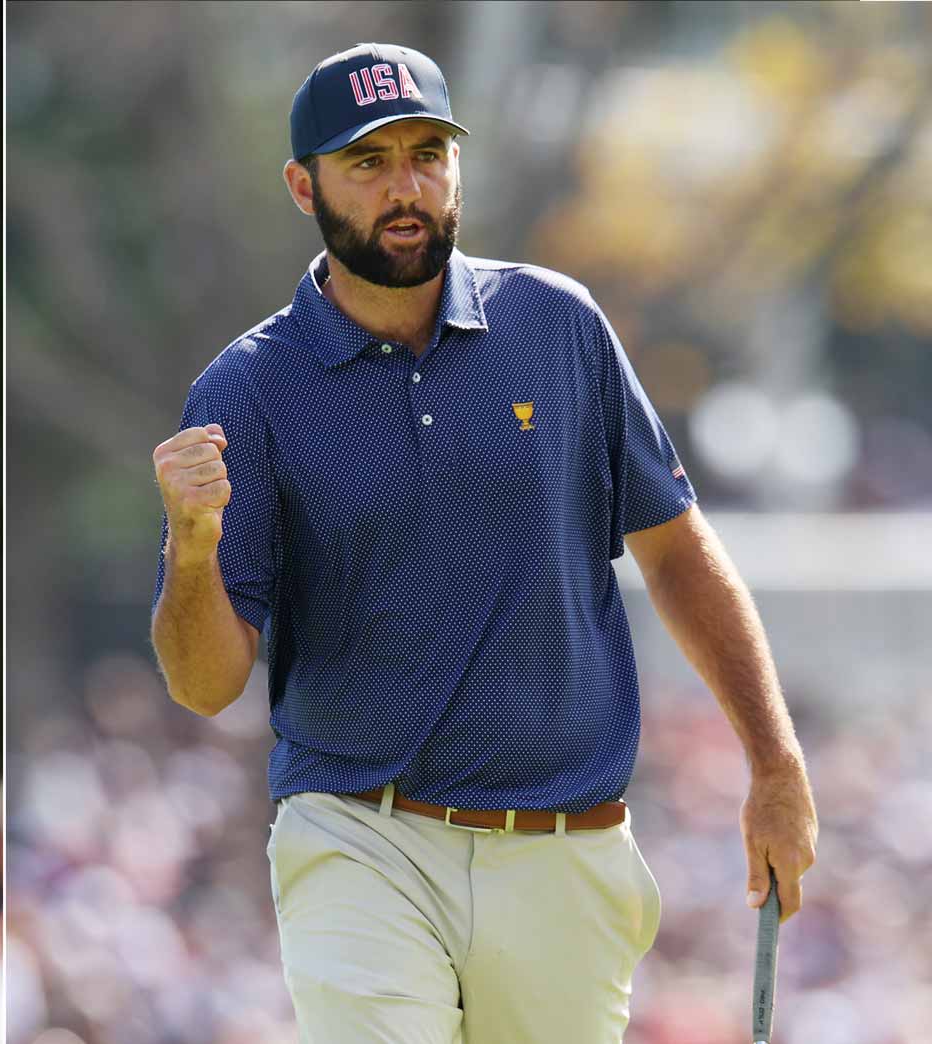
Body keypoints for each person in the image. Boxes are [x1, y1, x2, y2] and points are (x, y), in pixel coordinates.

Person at [149, 42, 817, 1044]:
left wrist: (772, 764)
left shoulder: (556, 326)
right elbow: (203, 684)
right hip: (357, 838)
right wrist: (192, 549)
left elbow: (673, 552)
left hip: (563, 848)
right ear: (302, 186)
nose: (404, 187)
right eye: (366, 163)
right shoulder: (247, 390)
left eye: (426, 153)